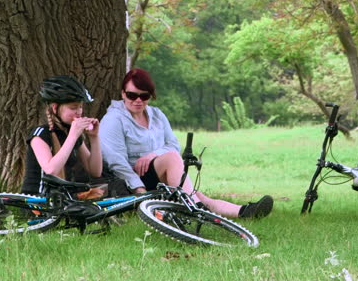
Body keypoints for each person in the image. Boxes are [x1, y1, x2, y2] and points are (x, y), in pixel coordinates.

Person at [99, 68, 272, 219]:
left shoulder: (156, 115)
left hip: (160, 173)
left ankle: (245, 211)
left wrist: (153, 154)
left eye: (144, 96)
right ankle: (195, 208)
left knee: (198, 195)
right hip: (133, 181)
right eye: (132, 95)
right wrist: (139, 190)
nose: (138, 100)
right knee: (175, 162)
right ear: (122, 93)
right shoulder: (114, 119)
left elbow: (173, 145)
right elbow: (116, 161)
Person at [20, 75, 103, 196]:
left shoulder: (71, 133)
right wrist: (73, 136)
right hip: (37, 201)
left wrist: (94, 138)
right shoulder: (40, 134)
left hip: (62, 200)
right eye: (73, 108)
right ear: (55, 108)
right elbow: (51, 170)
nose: (79, 112)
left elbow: (95, 171)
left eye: (80, 107)